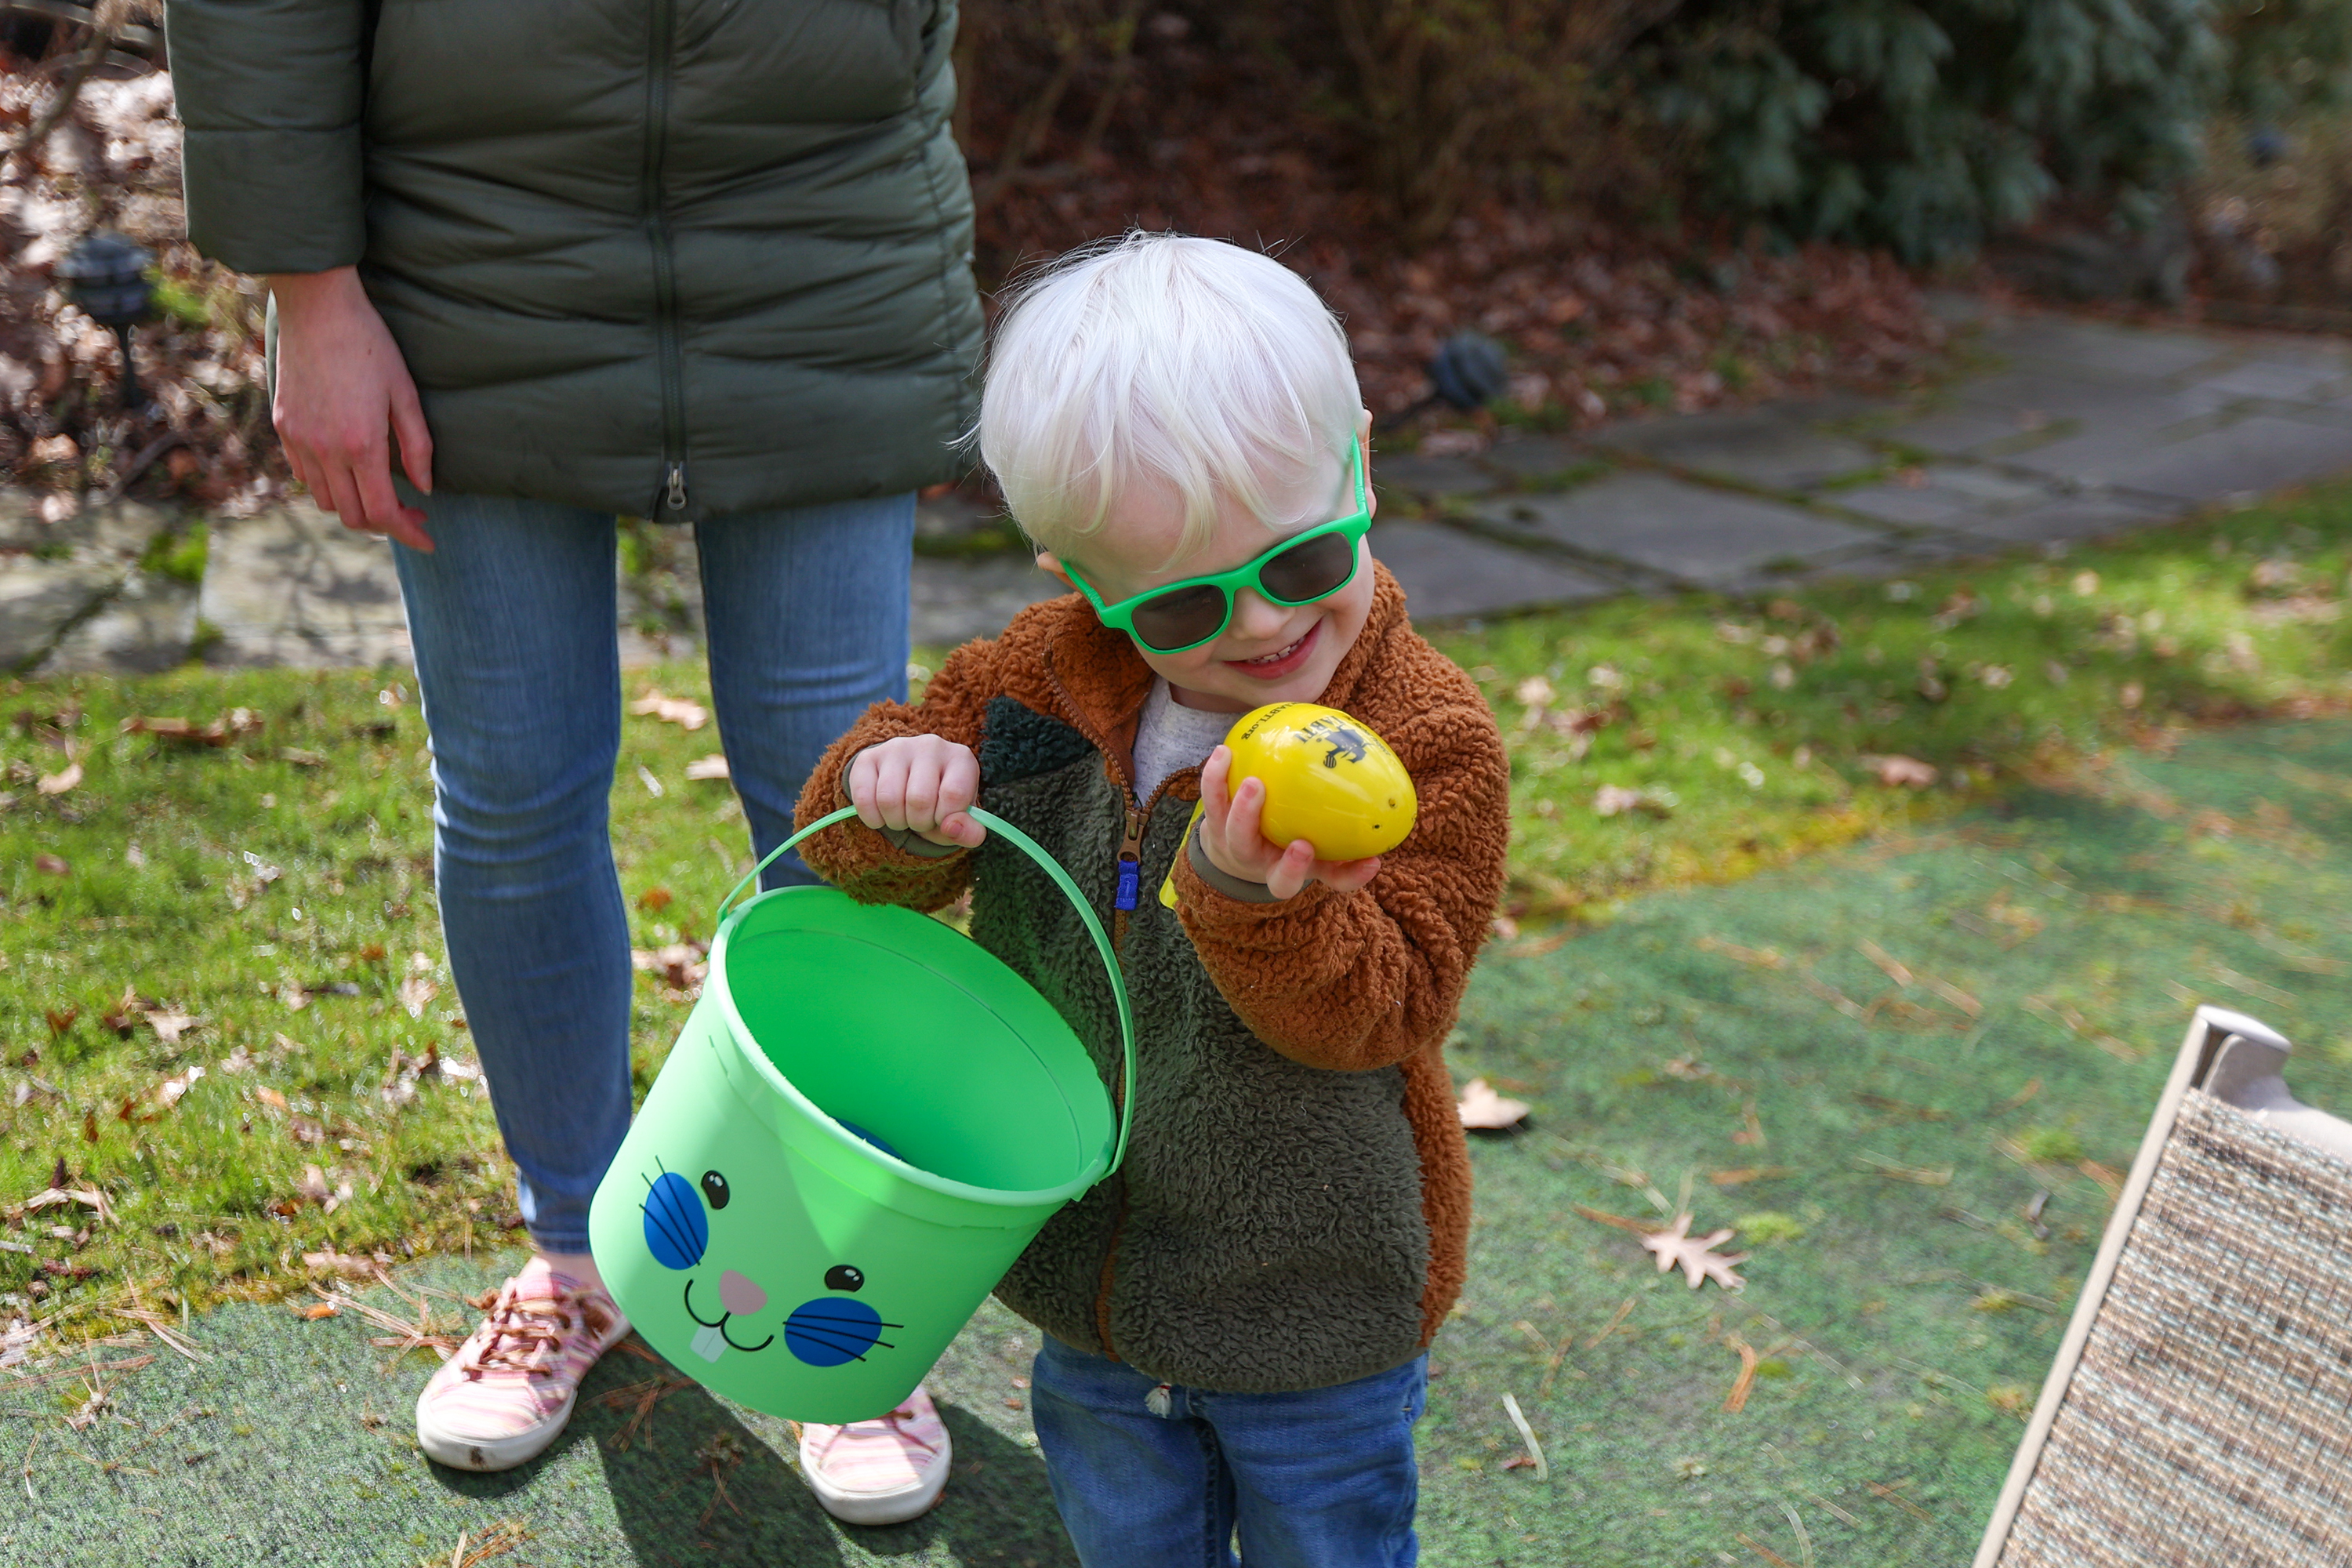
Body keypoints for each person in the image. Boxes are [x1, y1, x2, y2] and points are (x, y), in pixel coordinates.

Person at [163, 0, 983, 1503]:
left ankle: (831, 1293)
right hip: (466, 258)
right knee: (515, 794)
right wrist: (311, 290)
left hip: (817, 241)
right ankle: (577, 1254)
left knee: (839, 814)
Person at [793, 233, 1511, 1566]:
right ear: (1084, 583)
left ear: (1357, 460)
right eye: (1183, 607)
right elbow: (859, 859)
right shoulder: (1031, 686)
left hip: (1316, 1311)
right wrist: (890, 790)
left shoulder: (1426, 740)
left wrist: (1250, 903)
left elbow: (1390, 1007)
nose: (1255, 626)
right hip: (1095, 1285)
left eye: (1299, 564)